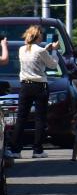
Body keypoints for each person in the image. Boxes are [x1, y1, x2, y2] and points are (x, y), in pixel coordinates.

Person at [13, 26, 59, 157]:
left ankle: (15, 149)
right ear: (38, 36)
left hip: (25, 85)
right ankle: (37, 149)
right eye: (41, 35)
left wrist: (46, 49)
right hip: (39, 86)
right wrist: (54, 51)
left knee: (21, 117)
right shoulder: (40, 50)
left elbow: (34, 56)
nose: (43, 37)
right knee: (40, 118)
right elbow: (52, 65)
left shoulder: (22, 49)